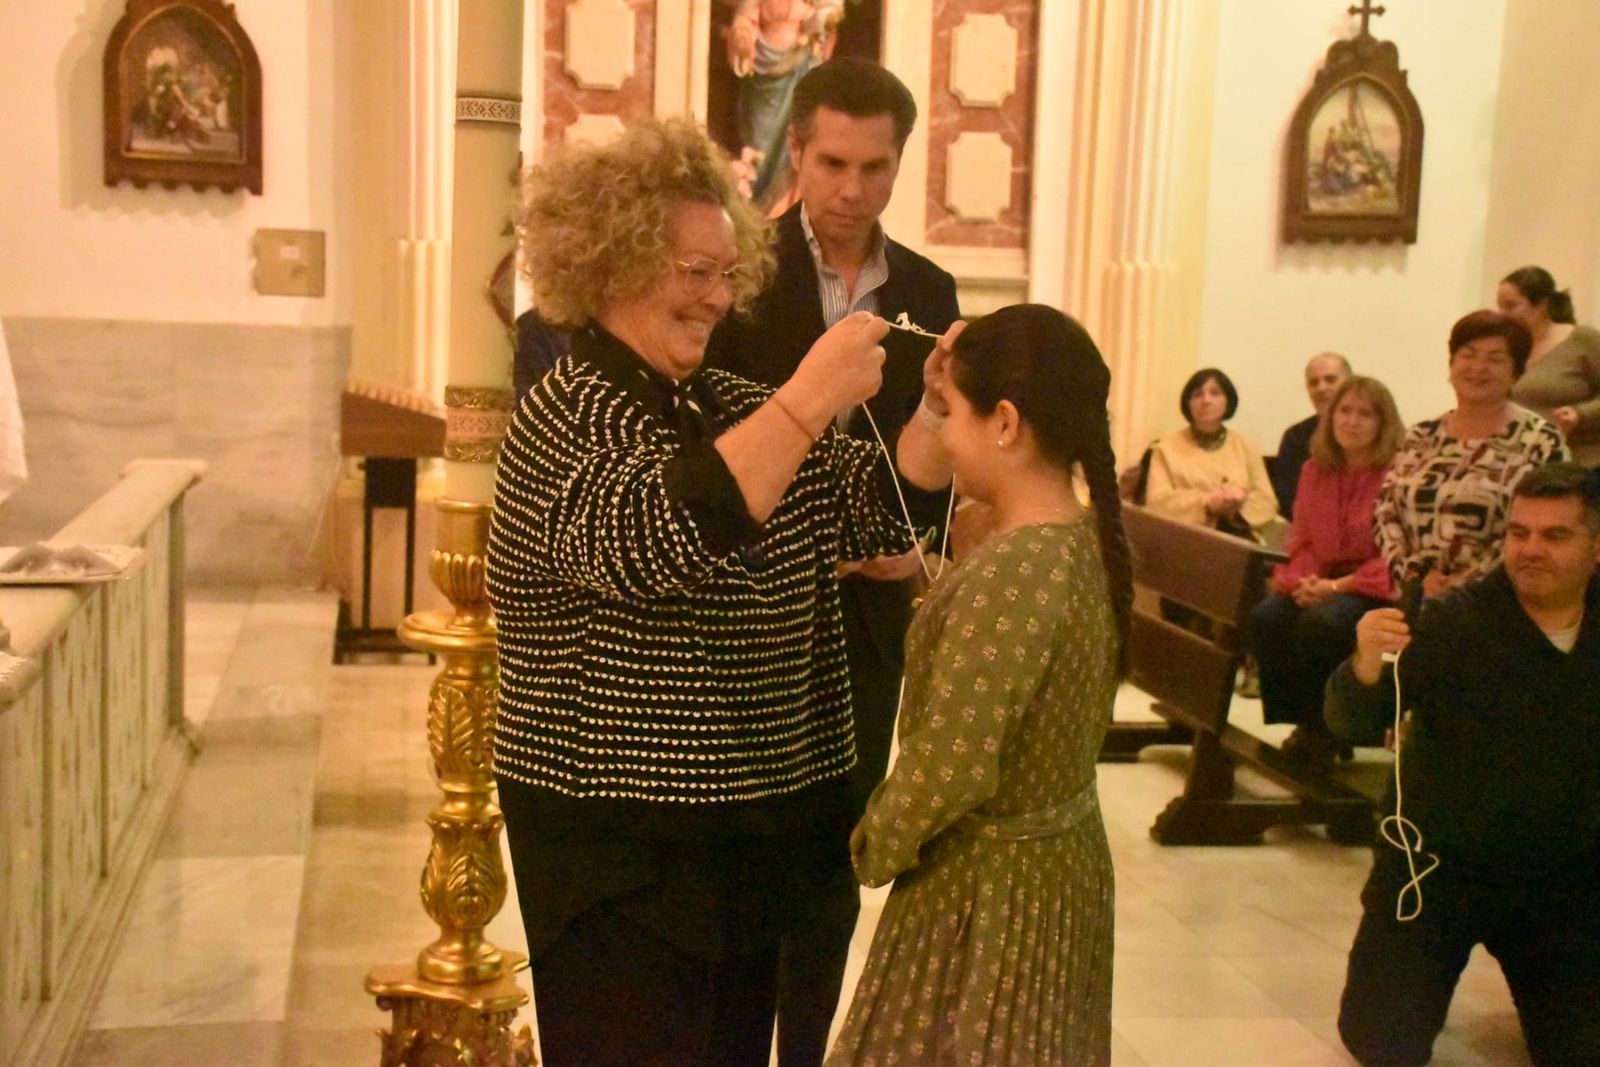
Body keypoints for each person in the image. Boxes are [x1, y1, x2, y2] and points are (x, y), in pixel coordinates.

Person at [486, 118, 929, 1067]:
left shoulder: (719, 401)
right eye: (696, 272)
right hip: (623, 853)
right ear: (613, 263)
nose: (719, 300)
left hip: (749, 835)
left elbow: (874, 520)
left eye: (728, 274)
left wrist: (942, 408)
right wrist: (809, 398)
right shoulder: (562, 415)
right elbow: (660, 536)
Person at [703, 54, 961, 1063]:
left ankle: (807, 1046)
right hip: (761, 600)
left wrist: (917, 550)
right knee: (750, 832)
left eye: (876, 167)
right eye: (834, 163)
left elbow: (949, 441)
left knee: (837, 836)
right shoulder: (745, 276)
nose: (853, 189)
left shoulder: (929, 287)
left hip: (872, 607)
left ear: (898, 166)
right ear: (795, 154)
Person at [827, 304, 1131, 1067]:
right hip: (1058, 868)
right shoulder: (1078, 540)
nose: (947, 437)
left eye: (955, 414)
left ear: (1004, 422)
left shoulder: (1016, 568)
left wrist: (870, 843)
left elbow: (953, 764)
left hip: (989, 895)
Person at [1327, 462, 1600, 1067]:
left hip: (1562, 879)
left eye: (1555, 536)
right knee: (1381, 1041)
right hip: (1438, 874)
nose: (1531, 549)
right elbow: (1351, 722)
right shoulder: (1456, 623)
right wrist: (1365, 666)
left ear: (1596, 546)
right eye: (1519, 533)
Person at [1247, 376, 1402, 769]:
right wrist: (1305, 583)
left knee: (1323, 624)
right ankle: (1303, 721)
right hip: (1320, 578)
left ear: (1383, 423)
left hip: (1374, 585)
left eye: (1365, 414)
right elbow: (1302, 538)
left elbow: (1398, 553)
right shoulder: (1316, 469)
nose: (1352, 421)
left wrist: (1336, 586)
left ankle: (1330, 729)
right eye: (1345, 412)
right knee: (1267, 618)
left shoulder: (1398, 473)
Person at [1375, 310, 1569, 597]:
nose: (1479, 366)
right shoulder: (1420, 436)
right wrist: (1414, 575)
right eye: (1468, 354)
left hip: (1502, 599)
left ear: (1516, 372)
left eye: (1495, 358)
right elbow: (1385, 510)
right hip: (1417, 596)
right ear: (1452, 363)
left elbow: (1549, 524)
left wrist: (1469, 581)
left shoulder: (1540, 440)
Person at [726, 0, 846, 204]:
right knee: (759, 141)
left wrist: (822, 18)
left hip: (803, 62)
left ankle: (785, 205)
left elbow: (829, 8)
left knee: (800, 131)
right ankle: (756, 203)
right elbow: (745, 15)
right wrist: (742, 33)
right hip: (763, 67)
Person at [1145, 367, 1280, 540]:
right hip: (1182, 539)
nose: (1206, 400)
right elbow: (1157, 503)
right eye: (1198, 394)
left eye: (1215, 393)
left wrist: (1236, 505)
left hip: (1238, 538)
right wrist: (1207, 503)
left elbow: (1267, 500)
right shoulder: (1165, 448)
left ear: (1228, 401)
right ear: (1187, 403)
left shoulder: (1246, 446)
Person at [1500, 265, 1600, 466]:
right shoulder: (1511, 346)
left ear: (1542, 305)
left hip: (1580, 463)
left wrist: (1580, 415)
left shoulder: (1583, 340)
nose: (1503, 314)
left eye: (1511, 306)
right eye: (1500, 306)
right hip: (1525, 463)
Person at [1272, 352, 1351, 518]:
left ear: (1350, 383)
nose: (1321, 388)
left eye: (1330, 379)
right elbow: (1288, 500)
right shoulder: (1295, 438)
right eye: (1314, 383)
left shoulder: (1373, 433)